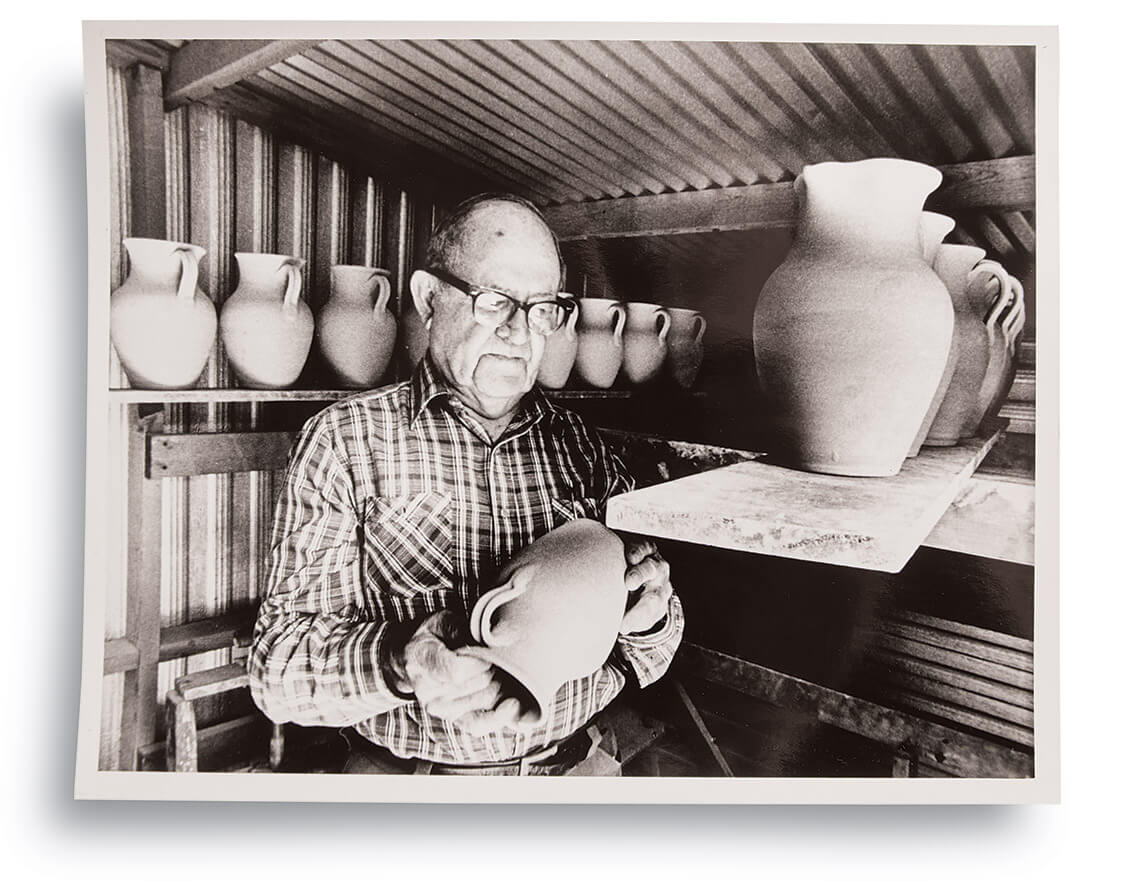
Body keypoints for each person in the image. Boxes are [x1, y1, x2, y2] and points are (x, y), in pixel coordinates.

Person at [248, 193, 683, 776]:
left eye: (541, 309)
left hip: (578, 771)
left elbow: (651, 656)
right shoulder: (346, 441)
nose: (519, 333)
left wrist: (652, 617)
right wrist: (399, 662)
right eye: (495, 301)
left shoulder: (585, 449)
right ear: (430, 298)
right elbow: (276, 670)